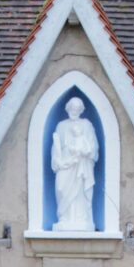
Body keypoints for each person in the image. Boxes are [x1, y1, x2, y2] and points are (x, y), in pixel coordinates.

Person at [51, 96, 99, 231]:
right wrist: (58, 161)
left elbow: (93, 148)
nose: (74, 111)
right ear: (68, 108)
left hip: (81, 165)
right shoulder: (61, 125)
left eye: (77, 108)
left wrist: (83, 152)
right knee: (62, 188)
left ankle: (81, 219)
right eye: (72, 108)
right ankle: (64, 218)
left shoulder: (87, 125)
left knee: (79, 193)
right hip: (65, 165)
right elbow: (56, 147)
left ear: (81, 110)